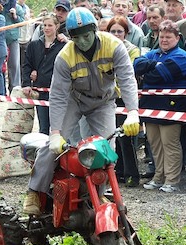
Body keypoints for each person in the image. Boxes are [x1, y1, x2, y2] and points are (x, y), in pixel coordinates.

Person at [23, 7, 140, 216]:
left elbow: (127, 80)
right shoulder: (64, 56)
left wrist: (133, 112)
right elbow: (58, 96)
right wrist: (56, 132)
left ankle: (99, 193)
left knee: (106, 149)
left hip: (103, 102)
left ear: (94, 30)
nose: (83, 41)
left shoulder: (114, 46)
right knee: (55, 146)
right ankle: (34, 190)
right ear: (71, 37)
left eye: (86, 36)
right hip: (73, 100)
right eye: (77, 38)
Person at [134, 20, 186, 193]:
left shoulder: (182, 56)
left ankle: (172, 180)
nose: (164, 40)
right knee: (154, 143)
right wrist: (153, 65)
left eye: (168, 37)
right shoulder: (153, 54)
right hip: (150, 106)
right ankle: (159, 176)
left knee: (169, 144)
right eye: (162, 36)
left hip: (171, 107)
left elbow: (158, 76)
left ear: (177, 38)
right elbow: (136, 65)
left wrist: (149, 69)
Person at [107, 15, 140, 187]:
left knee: (126, 138)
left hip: (124, 99)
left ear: (126, 33)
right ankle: (117, 172)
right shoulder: (105, 49)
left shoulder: (132, 50)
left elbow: (127, 74)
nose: (116, 34)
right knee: (113, 137)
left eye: (120, 31)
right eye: (113, 31)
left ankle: (132, 175)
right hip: (109, 98)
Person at [22, 13, 66, 135]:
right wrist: (26, 83)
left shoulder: (63, 46)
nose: (46, 28)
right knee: (43, 127)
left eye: (50, 25)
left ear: (57, 26)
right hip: (40, 90)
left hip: (58, 91)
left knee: (58, 128)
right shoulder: (34, 45)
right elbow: (27, 65)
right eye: (44, 25)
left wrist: (67, 40)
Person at [0, 1, 24, 93]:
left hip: (13, 39)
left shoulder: (16, 7)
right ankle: (1, 90)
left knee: (14, 65)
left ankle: (15, 89)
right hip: (0, 40)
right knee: (0, 66)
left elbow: (22, 22)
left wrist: (15, 16)